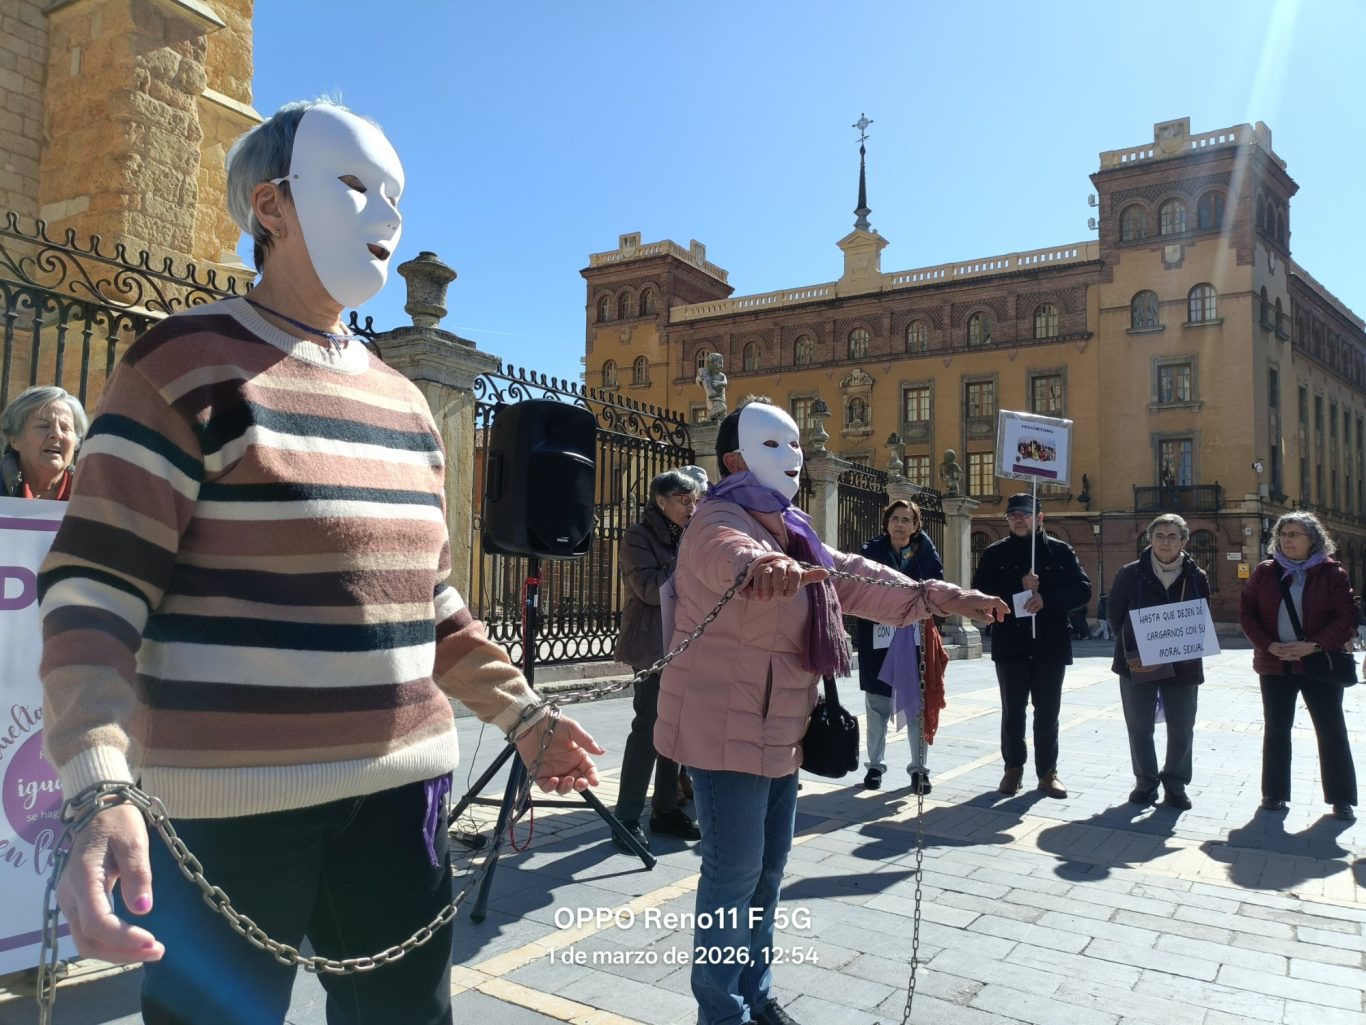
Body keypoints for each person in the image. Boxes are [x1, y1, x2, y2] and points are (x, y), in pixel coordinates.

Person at [38, 99, 603, 1025]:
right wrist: (97, 780)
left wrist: (524, 715)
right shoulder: (180, 363)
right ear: (270, 205)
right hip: (226, 811)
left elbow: (432, 603)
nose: (386, 216)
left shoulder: (408, 404)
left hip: (403, 800)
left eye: (396, 197)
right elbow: (95, 589)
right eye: (353, 185)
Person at [654, 399, 1007, 1025]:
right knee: (732, 876)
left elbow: (855, 574)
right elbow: (724, 554)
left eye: (796, 445)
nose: (793, 458)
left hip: (780, 729)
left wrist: (941, 596)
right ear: (734, 460)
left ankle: (756, 995)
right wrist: (761, 566)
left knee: (768, 874)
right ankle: (721, 1012)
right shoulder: (717, 519)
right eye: (775, 445)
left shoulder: (794, 529)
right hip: (723, 730)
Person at [1238, 511, 1358, 821]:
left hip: (1319, 663)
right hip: (1275, 663)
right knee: (1276, 729)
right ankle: (1274, 793)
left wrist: (1313, 645)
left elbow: (1347, 618)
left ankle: (1341, 798)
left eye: (1294, 534)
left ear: (1312, 540)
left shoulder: (1332, 573)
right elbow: (1247, 612)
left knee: (1331, 729)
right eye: (1283, 534)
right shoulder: (1265, 572)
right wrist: (1267, 644)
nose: (1286, 540)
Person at [972, 492, 1092, 798]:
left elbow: (1083, 590)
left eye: (1025, 514)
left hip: (1050, 644)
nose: (1019, 519)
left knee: (1048, 712)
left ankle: (1047, 772)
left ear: (1040, 518)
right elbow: (980, 592)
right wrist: (1019, 587)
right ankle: (1013, 769)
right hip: (1010, 643)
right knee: (1013, 712)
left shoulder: (1061, 551)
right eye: (1013, 515)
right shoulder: (995, 553)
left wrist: (1046, 599)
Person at [612, 467, 706, 851]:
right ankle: (626, 818)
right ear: (661, 501)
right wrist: (687, 553)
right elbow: (650, 589)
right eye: (684, 501)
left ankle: (665, 809)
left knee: (677, 729)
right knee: (649, 728)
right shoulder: (638, 536)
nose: (691, 507)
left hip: (684, 644)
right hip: (651, 646)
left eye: (695, 500)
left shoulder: (689, 535)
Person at [1107, 514, 1211, 810]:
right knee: (1139, 725)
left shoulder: (1197, 576)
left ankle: (1175, 784)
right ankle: (1145, 782)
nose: (1166, 542)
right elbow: (1115, 615)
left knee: (1182, 726)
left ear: (1184, 541)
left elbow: (1201, 616)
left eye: (1173, 536)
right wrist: (1137, 648)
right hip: (1137, 662)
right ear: (1149, 539)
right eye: (1160, 536)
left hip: (1184, 662)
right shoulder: (1130, 573)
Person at [852, 499, 943, 792]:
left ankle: (919, 770)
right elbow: (859, 587)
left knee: (915, 706)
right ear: (886, 523)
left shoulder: (925, 553)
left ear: (916, 526)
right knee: (877, 705)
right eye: (895, 519)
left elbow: (937, 587)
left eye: (907, 520)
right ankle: (874, 767)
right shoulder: (870, 551)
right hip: (877, 638)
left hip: (914, 641)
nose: (900, 525)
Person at [1, 384, 88, 499]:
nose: (56, 434)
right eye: (43, 426)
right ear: (15, 440)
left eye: (65, 428)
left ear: (76, 442)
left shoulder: (95, 495)